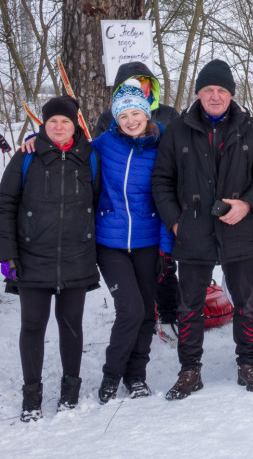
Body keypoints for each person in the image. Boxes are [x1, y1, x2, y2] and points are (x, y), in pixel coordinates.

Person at [152, 59, 253, 399]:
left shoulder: (251, 128)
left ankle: (248, 363)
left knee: (247, 302)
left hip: (239, 228)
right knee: (189, 305)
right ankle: (190, 370)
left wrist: (247, 204)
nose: (215, 96)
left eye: (222, 90)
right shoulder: (178, 130)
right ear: (198, 93)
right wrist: (175, 221)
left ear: (231, 94)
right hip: (193, 230)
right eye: (208, 89)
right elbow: (161, 180)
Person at [0, 96, 100, 421]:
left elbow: (98, 202)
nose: (58, 126)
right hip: (32, 258)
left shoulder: (89, 157)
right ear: (43, 125)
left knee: (71, 326)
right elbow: (5, 205)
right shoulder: (26, 156)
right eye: (52, 121)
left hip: (76, 256)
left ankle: (70, 392)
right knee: (32, 326)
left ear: (75, 124)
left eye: (65, 121)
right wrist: (7, 254)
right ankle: (32, 396)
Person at [93, 80, 174, 402]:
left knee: (146, 314)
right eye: (123, 115)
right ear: (116, 118)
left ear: (146, 114)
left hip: (148, 240)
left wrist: (166, 247)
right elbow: (69, 152)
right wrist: (35, 139)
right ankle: (111, 375)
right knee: (130, 310)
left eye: (135, 113)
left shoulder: (163, 145)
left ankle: (136, 376)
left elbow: (168, 197)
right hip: (109, 241)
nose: (130, 121)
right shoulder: (103, 144)